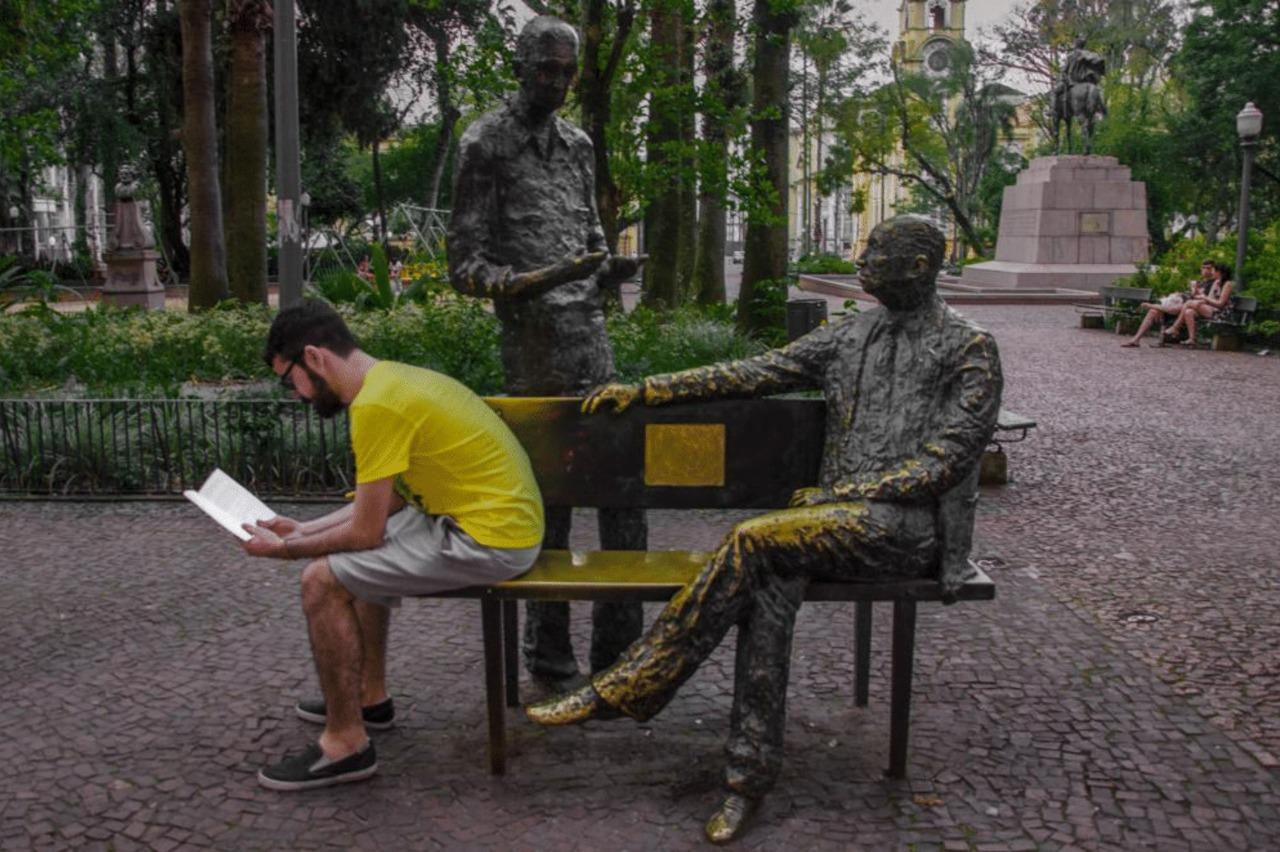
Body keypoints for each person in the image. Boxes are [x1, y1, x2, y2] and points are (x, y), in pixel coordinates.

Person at [526, 216, 1003, 843]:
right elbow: (749, 372)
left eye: (876, 250)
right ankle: (745, 781)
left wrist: (847, 493)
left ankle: (626, 687)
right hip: (823, 525)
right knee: (768, 583)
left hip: (907, 533)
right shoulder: (849, 335)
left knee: (757, 540)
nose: (862, 259)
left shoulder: (970, 347)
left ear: (918, 267)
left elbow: (949, 459)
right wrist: (646, 390)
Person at [242, 300, 544, 791]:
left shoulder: (377, 406)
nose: (294, 394)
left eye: (288, 378)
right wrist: (303, 530)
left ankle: (346, 745)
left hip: (490, 540)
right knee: (342, 560)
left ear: (314, 358)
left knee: (321, 581)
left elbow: (366, 531)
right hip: (485, 522)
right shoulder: (392, 381)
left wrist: (288, 551)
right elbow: (389, 504)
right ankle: (368, 697)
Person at [447, 15, 648, 691]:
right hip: (530, 350)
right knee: (549, 507)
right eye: (546, 70)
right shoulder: (485, 144)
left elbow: (590, 234)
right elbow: (465, 264)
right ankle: (550, 655)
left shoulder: (580, 146)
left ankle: (622, 655)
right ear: (519, 64)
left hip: (593, 344)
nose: (558, 83)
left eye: (568, 71)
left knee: (624, 497)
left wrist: (603, 272)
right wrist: (532, 283)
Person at [1122, 260, 1216, 347]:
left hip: (1193, 307)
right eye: (1203, 268)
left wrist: (1196, 293)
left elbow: (1206, 299)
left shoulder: (1214, 283)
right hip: (1185, 303)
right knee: (1153, 311)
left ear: (1213, 270)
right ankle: (1136, 339)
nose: (1205, 270)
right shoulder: (1201, 282)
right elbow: (1192, 295)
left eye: (1208, 268)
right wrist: (1189, 291)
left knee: (1175, 308)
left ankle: (1155, 307)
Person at [1163, 261, 1235, 346]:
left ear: (1219, 272)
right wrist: (1199, 297)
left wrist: (1204, 298)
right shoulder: (1216, 282)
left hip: (1221, 313)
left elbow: (1220, 304)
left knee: (1189, 303)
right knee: (1188, 312)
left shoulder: (1228, 284)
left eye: (1214, 270)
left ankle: (1175, 327)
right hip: (1211, 309)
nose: (1212, 272)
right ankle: (1192, 339)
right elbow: (1209, 298)